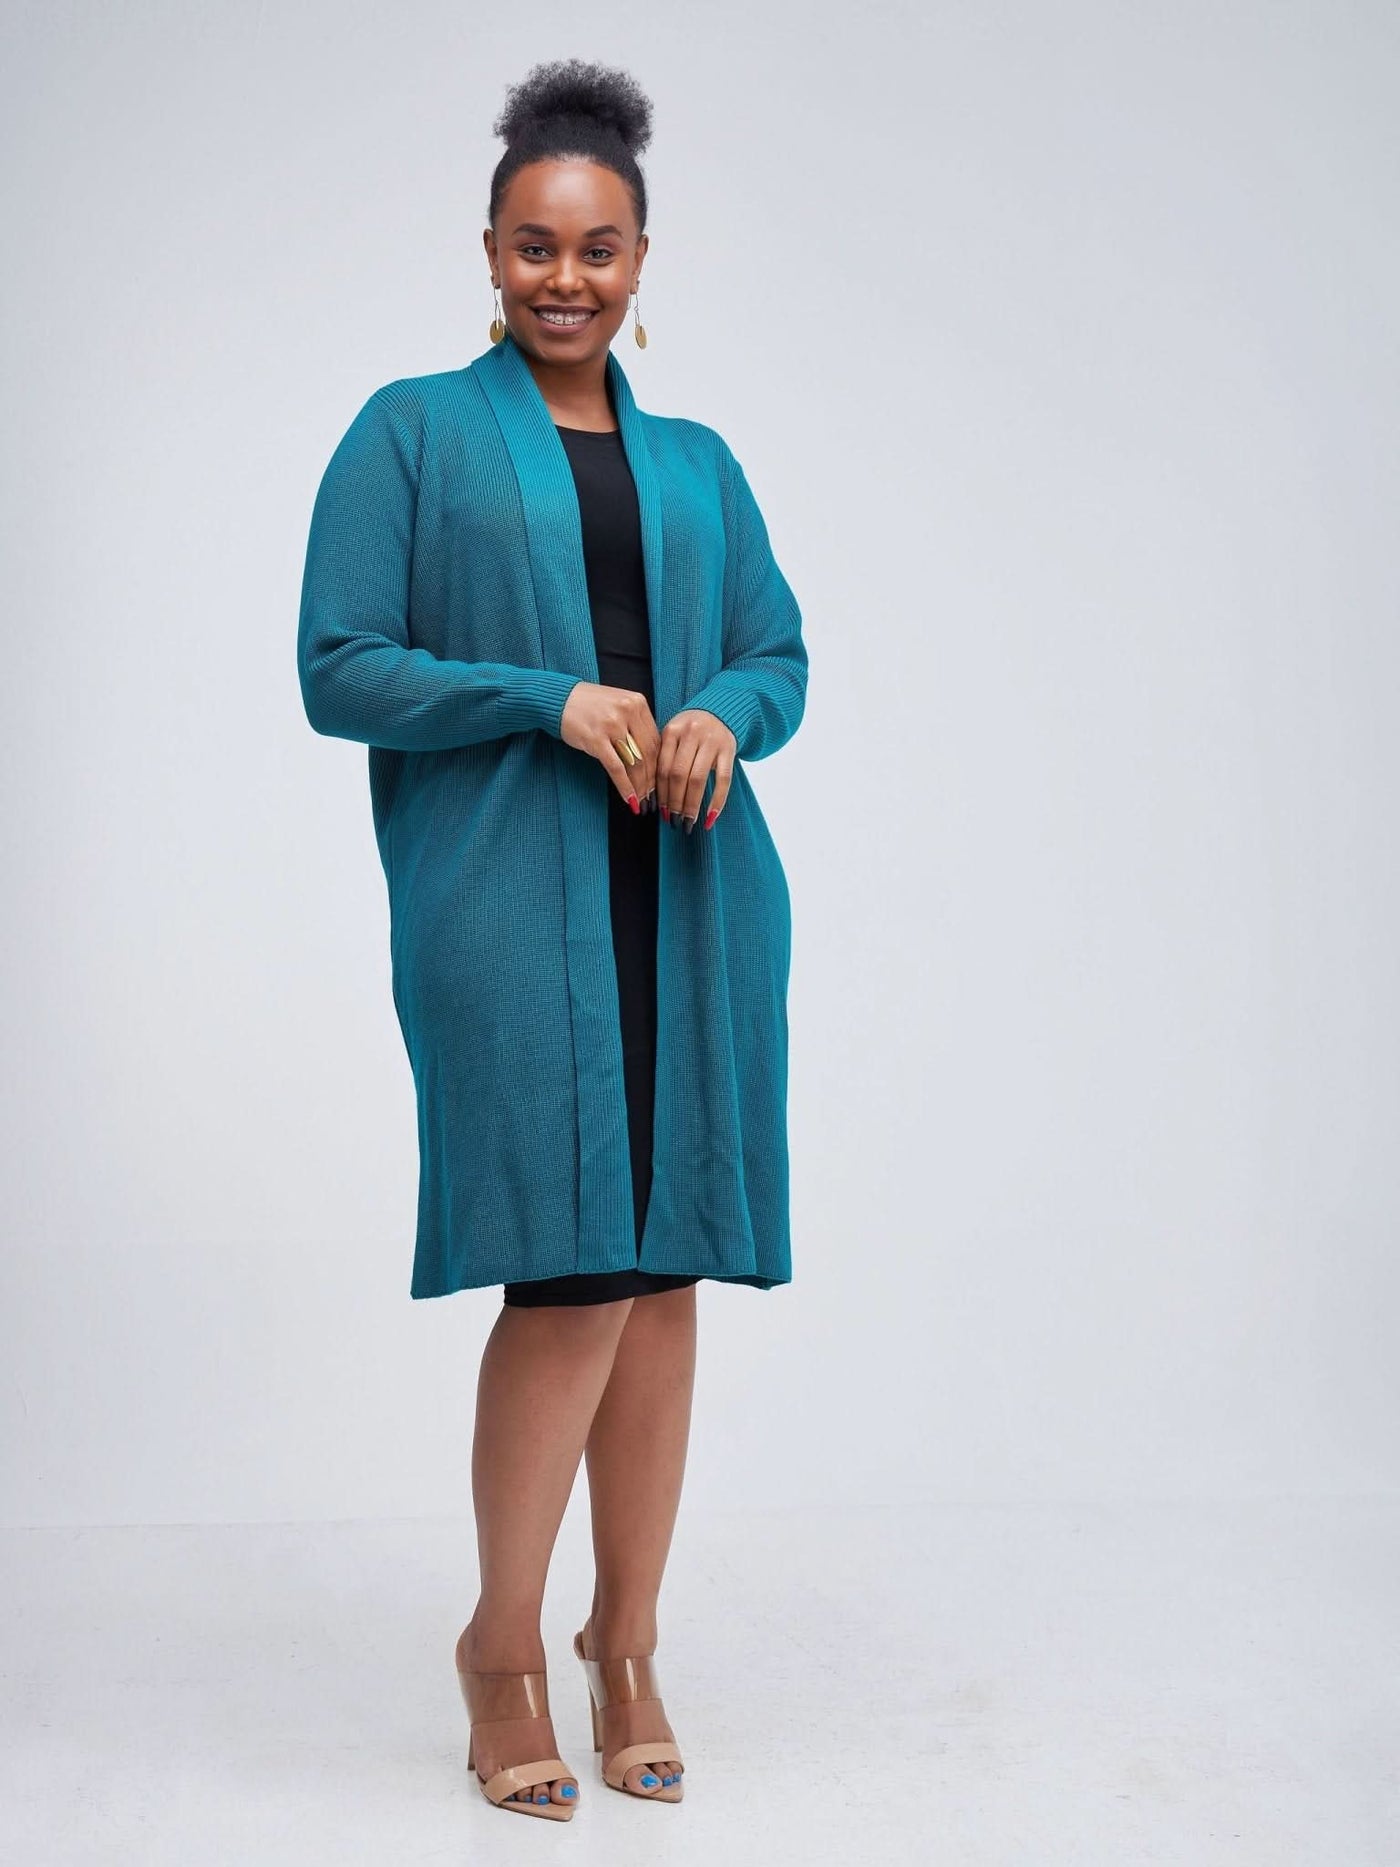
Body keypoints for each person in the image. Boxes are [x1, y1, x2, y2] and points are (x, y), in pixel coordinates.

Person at [296, 56, 808, 1822]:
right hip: (515, 906)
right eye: (536, 245)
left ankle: (629, 1640)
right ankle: (502, 1650)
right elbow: (339, 665)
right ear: (490, 251)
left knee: (662, 1279)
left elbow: (777, 650)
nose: (566, 278)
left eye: (598, 248)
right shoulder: (412, 435)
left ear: (644, 259)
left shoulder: (699, 463)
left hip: (695, 894)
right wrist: (549, 697)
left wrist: (722, 712)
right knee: (570, 1274)